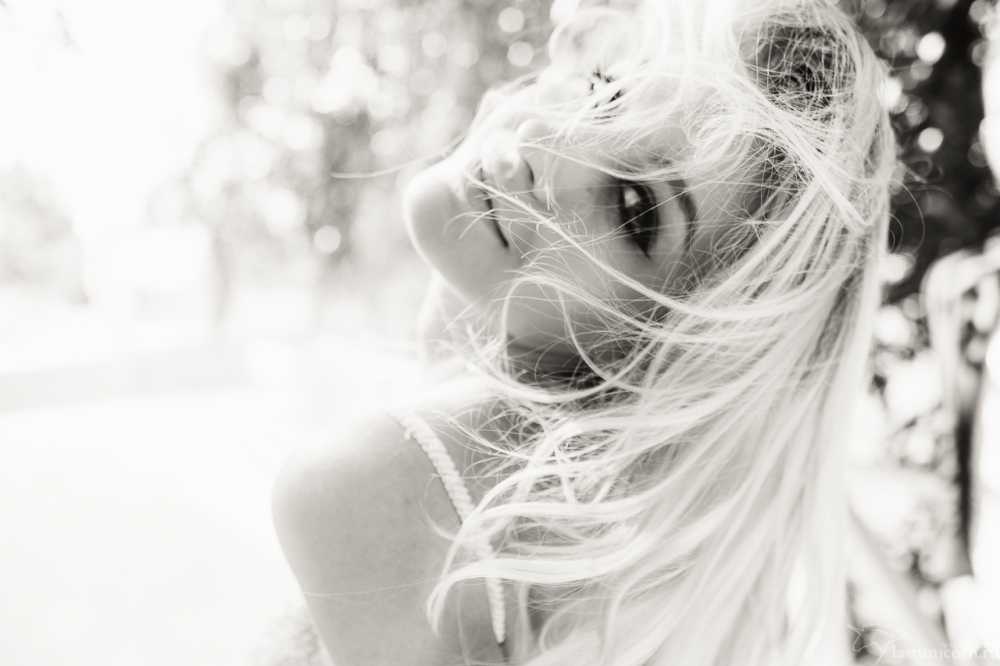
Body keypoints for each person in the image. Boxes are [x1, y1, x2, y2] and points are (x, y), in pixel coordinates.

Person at [271, 0, 898, 664]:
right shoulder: (645, 583)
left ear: (670, 350)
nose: (542, 137)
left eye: (634, 207)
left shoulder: (385, 486)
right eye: (605, 90)